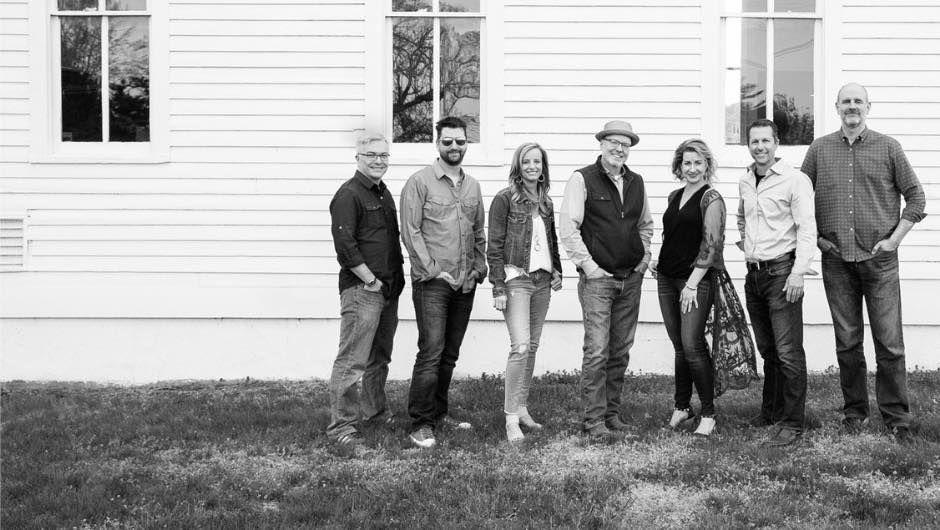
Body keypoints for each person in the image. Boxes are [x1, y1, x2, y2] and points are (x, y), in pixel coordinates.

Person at [801, 83, 926, 442]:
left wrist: (894, 240)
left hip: (879, 261)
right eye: (846, 101)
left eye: (858, 101)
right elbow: (799, 197)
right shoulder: (819, 149)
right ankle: (855, 414)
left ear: (868, 107)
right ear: (836, 107)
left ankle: (897, 418)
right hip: (837, 260)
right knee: (847, 342)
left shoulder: (888, 148)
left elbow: (916, 198)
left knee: (890, 343)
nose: (851, 107)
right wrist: (820, 242)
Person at [560, 120, 653, 440]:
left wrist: (644, 260)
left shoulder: (637, 182)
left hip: (631, 279)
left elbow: (645, 225)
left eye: (625, 144)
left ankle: (612, 414)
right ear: (602, 144)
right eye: (613, 142)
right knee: (597, 350)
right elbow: (569, 229)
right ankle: (593, 420)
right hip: (599, 281)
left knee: (620, 351)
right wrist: (589, 267)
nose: (619, 148)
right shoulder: (582, 179)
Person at [400, 116, 487, 449]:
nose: (454, 147)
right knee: (431, 353)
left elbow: (479, 231)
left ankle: (438, 413)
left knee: (449, 354)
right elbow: (412, 231)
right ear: (437, 144)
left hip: (465, 283)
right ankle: (420, 423)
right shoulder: (419, 183)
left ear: (467, 143)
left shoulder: (473, 186)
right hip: (433, 283)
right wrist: (435, 270)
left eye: (460, 141)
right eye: (448, 141)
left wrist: (478, 269)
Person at [738, 119, 817, 447]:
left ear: (776, 143)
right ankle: (770, 412)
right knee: (768, 350)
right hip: (754, 275)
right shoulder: (745, 179)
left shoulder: (795, 180)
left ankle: (792, 423)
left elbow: (807, 228)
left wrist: (798, 272)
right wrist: (747, 243)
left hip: (783, 274)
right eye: (754, 141)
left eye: (765, 141)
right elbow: (743, 217)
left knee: (788, 352)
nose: (760, 147)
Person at [326, 132, 405, 446]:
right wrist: (371, 281)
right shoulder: (349, 194)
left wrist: (389, 285)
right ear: (357, 157)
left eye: (383, 155)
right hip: (363, 290)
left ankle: (374, 413)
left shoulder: (382, 193)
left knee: (379, 357)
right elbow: (345, 247)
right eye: (371, 155)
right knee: (352, 360)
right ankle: (341, 427)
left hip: (388, 291)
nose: (378, 160)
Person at [487, 142, 563, 443]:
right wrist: (498, 286)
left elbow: (550, 241)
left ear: (543, 167)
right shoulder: (505, 200)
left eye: (537, 161)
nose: (533, 166)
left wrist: (557, 269)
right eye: (527, 161)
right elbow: (494, 247)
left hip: (543, 281)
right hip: (516, 279)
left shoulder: (546, 202)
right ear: (518, 167)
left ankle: (521, 407)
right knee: (520, 346)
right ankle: (509, 419)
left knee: (531, 346)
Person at [650, 139, 725, 437]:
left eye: (697, 163)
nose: (691, 168)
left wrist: (692, 284)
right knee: (680, 346)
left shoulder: (712, 198)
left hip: (694, 283)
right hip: (667, 279)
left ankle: (708, 413)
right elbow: (673, 236)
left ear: (707, 165)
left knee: (693, 346)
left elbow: (712, 245)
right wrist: (660, 262)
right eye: (686, 163)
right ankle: (682, 407)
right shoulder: (674, 195)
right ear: (679, 167)